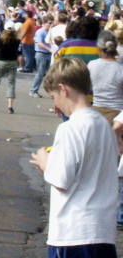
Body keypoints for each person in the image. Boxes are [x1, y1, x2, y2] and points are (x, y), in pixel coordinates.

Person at [30, 58, 118, 258]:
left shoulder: (70, 128)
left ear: (63, 89)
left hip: (73, 231)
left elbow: (61, 180)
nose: (55, 104)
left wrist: (46, 163)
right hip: (102, 230)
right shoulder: (104, 125)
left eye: (54, 96)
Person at [87, 30, 123, 125]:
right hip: (117, 115)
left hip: (96, 111)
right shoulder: (121, 68)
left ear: (99, 47)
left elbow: (87, 87)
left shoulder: (92, 65)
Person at [30, 15, 53, 98]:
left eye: (52, 23)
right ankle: (33, 91)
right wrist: (49, 49)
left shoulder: (51, 31)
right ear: (44, 23)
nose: (51, 25)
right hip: (41, 54)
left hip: (49, 55)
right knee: (40, 74)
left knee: (50, 74)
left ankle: (51, 92)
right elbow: (39, 43)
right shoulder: (40, 32)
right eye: (49, 23)